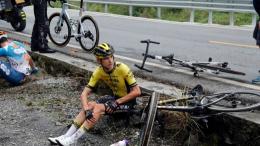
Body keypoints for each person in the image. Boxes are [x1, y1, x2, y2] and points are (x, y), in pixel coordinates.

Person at [48, 43, 141, 145]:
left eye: (111, 56)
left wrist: (117, 102)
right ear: (99, 60)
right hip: (116, 98)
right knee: (90, 105)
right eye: (106, 58)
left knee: (98, 108)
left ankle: (72, 140)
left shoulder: (122, 68)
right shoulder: (99, 71)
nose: (110, 60)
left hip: (128, 103)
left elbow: (137, 91)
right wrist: (87, 110)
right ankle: (65, 136)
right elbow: (84, 94)